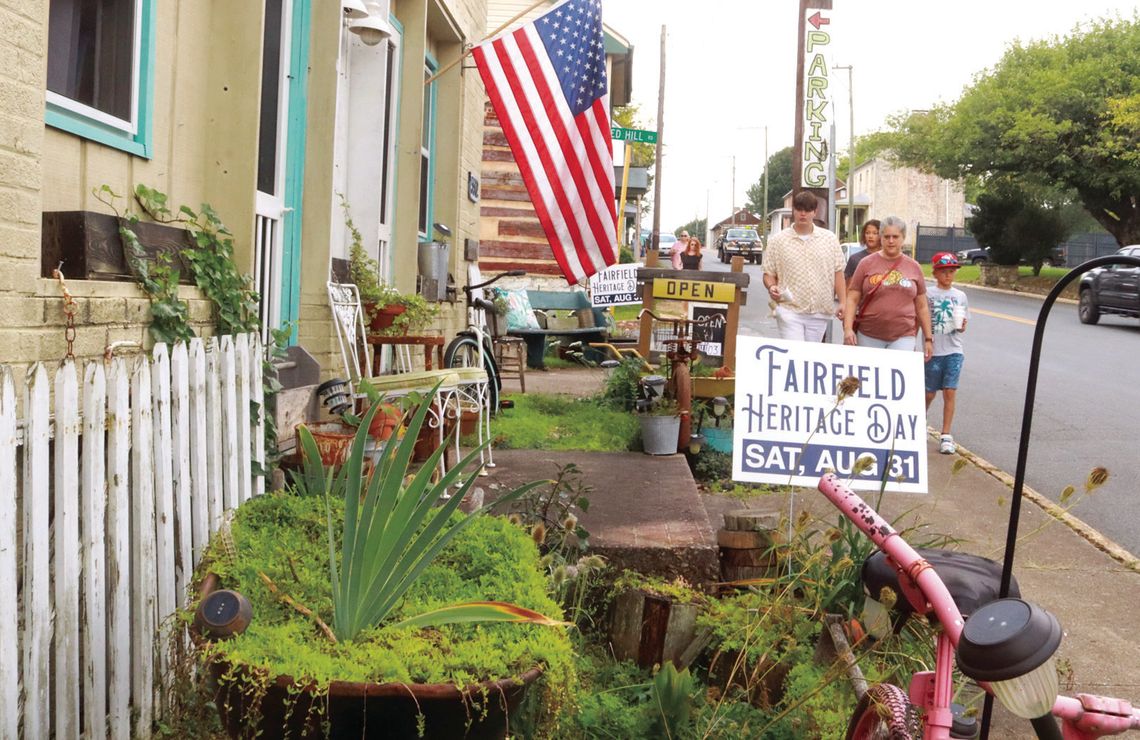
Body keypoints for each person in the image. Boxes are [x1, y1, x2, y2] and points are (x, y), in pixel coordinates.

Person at [843, 216, 933, 360]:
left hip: (903, 336)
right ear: (881, 237)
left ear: (903, 237)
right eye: (887, 236)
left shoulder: (914, 267)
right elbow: (852, 298)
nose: (891, 241)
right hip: (869, 335)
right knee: (868, 381)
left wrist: (928, 338)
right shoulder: (865, 264)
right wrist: (848, 329)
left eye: (895, 237)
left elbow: (922, 306)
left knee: (897, 380)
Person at [762, 191, 846, 342]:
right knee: (795, 353)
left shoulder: (830, 239)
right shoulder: (778, 241)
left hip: (820, 311)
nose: (803, 214)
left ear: (815, 212)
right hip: (790, 310)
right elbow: (768, 272)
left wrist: (843, 302)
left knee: (810, 358)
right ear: (793, 211)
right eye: (799, 209)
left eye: (807, 210)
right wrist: (771, 286)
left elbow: (838, 273)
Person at [925, 252, 969, 454]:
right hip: (934, 350)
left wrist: (962, 326)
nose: (948, 276)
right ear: (935, 273)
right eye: (944, 272)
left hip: (954, 350)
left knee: (950, 391)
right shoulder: (928, 294)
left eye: (951, 272)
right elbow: (921, 319)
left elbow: (963, 323)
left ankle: (946, 434)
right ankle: (919, 422)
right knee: (929, 392)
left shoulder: (960, 296)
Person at [844, 219, 881, 283]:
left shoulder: (888, 258)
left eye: (875, 233)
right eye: (867, 233)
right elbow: (849, 287)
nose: (870, 236)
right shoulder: (854, 259)